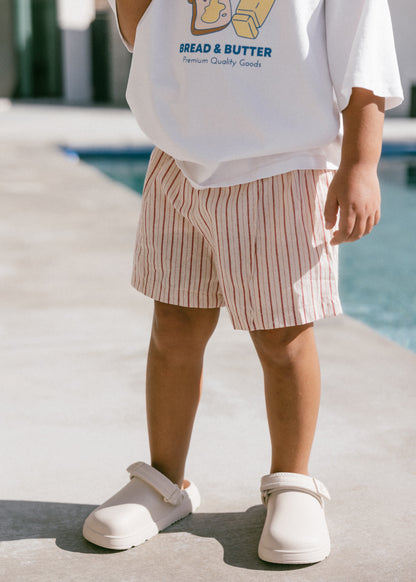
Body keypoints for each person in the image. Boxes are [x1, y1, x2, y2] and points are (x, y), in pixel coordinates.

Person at [83, 0, 403, 564]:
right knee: (173, 329)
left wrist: (361, 162)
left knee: (283, 339)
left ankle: (292, 480)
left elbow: (364, 51)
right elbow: (139, 30)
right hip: (180, 159)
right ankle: (164, 480)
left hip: (282, 163)